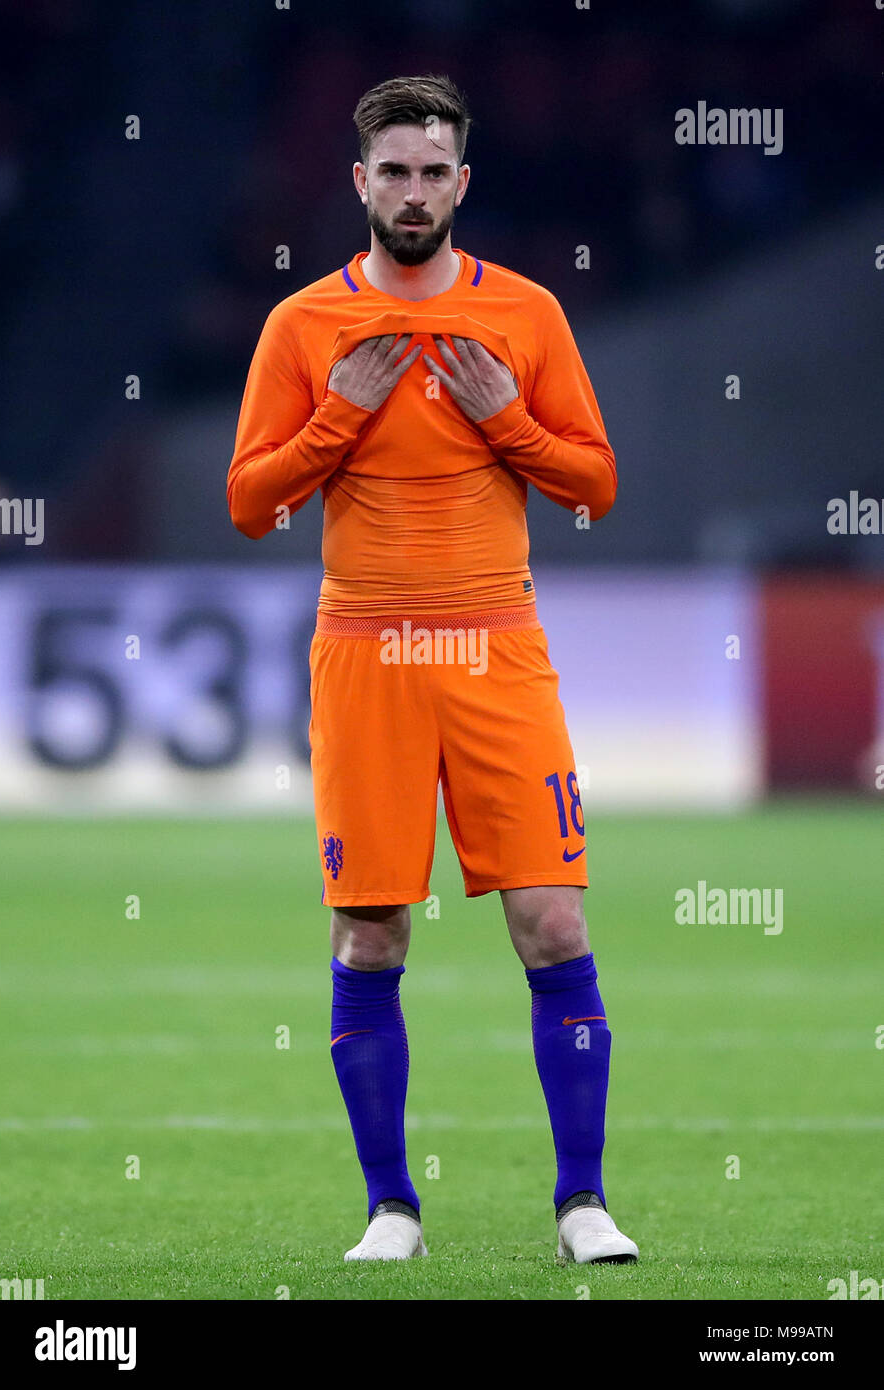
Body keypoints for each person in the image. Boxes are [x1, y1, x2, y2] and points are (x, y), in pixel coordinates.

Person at [228, 73, 638, 1266]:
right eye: (391, 172)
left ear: (462, 183)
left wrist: (507, 418)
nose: (412, 192)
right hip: (365, 656)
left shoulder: (523, 314)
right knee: (371, 938)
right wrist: (331, 424)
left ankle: (580, 1204)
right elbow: (251, 503)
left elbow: (594, 484)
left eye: (432, 171)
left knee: (550, 921)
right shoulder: (303, 327)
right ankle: (391, 1209)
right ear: (359, 183)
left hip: (495, 648)